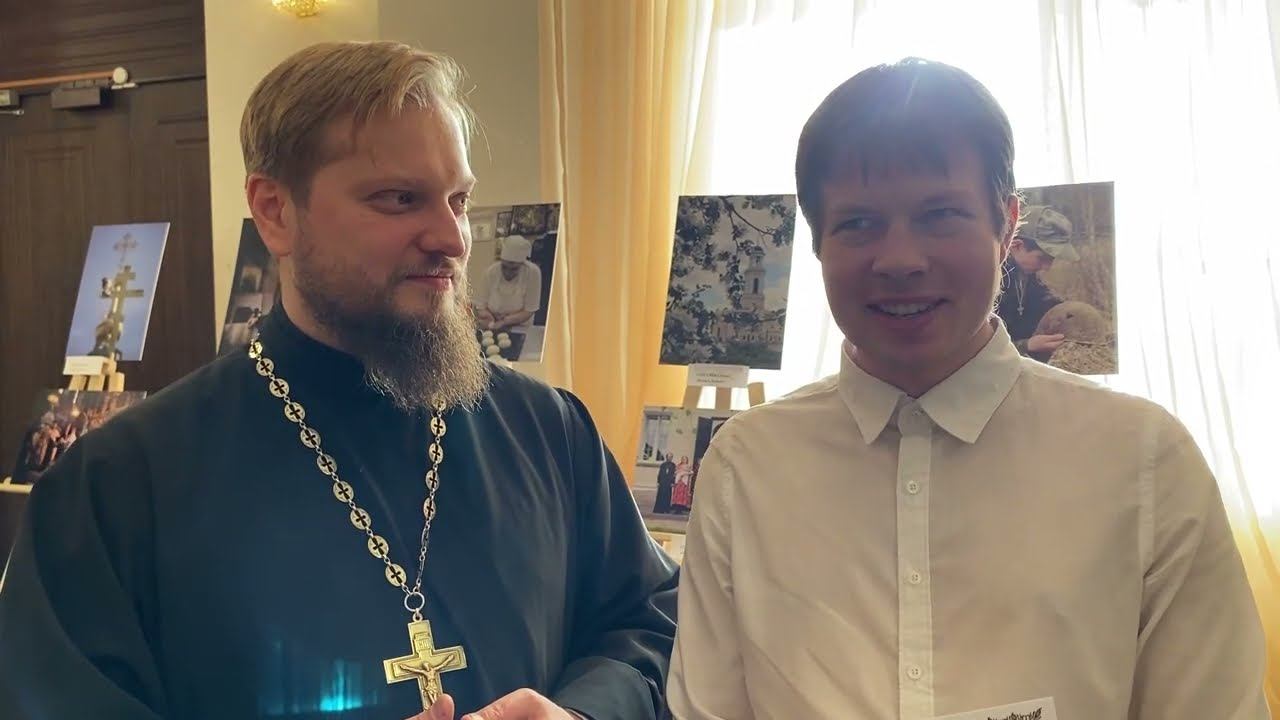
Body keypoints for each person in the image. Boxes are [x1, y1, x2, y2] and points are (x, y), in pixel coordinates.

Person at [0, 42, 677, 720]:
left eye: (459, 199)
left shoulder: (548, 429)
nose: (452, 237)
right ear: (275, 211)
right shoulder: (117, 486)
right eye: (400, 199)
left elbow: (650, 625)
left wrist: (583, 714)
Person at [668, 58, 1268, 719]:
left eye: (940, 215)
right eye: (859, 223)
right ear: (818, 244)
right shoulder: (746, 466)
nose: (900, 260)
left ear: (1006, 226)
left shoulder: (1143, 460)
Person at [996, 204, 1077, 361]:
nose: (1047, 267)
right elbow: (975, 349)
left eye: (1051, 260)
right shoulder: (988, 283)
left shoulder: (1026, 275)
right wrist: (1025, 346)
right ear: (1017, 246)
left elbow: (1042, 301)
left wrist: (1068, 312)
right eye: (1042, 258)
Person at [473, 235, 543, 331]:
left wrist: (505, 321)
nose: (507, 273)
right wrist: (489, 318)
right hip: (493, 324)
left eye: (514, 269)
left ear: (522, 264)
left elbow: (529, 310)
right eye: (504, 267)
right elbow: (480, 305)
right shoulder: (491, 272)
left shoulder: (533, 273)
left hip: (521, 326)